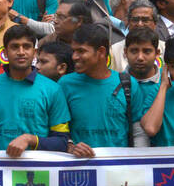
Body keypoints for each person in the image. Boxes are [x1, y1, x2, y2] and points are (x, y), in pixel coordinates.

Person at [0, 24, 69, 156]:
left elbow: (62, 142)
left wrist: (30, 139)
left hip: (40, 171)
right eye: (15, 47)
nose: (21, 52)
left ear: (34, 53)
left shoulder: (53, 90)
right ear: (5, 53)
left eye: (27, 46)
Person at [59, 23, 138, 156]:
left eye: (81, 51)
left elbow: (138, 132)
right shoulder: (65, 84)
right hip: (80, 167)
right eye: (73, 51)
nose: (74, 57)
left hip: (118, 170)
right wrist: (70, 146)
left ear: (101, 52)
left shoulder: (128, 84)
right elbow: (58, 127)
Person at [121, 26, 164, 147]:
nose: (140, 57)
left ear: (157, 53)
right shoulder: (115, 85)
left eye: (147, 51)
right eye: (134, 51)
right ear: (125, 52)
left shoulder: (168, 85)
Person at [109, 0, 159, 73]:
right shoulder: (113, 51)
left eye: (145, 20)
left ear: (155, 24)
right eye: (135, 20)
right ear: (128, 23)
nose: (140, 24)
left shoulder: (165, 48)